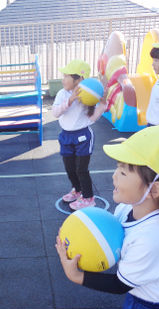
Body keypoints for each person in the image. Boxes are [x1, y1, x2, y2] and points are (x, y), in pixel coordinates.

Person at [56, 125, 159, 309]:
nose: (114, 176)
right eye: (118, 168)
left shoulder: (152, 236)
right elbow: (107, 238)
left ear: (154, 189)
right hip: (139, 298)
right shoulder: (126, 209)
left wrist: (76, 275)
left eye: (123, 172)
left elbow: (119, 284)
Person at [52, 59, 107, 210]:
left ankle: (89, 198)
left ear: (79, 79)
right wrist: (69, 101)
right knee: (69, 168)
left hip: (83, 136)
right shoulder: (62, 94)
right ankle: (77, 190)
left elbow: (92, 118)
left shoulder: (88, 97)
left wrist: (102, 104)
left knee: (81, 169)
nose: (63, 79)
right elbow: (55, 113)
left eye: (66, 76)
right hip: (66, 136)